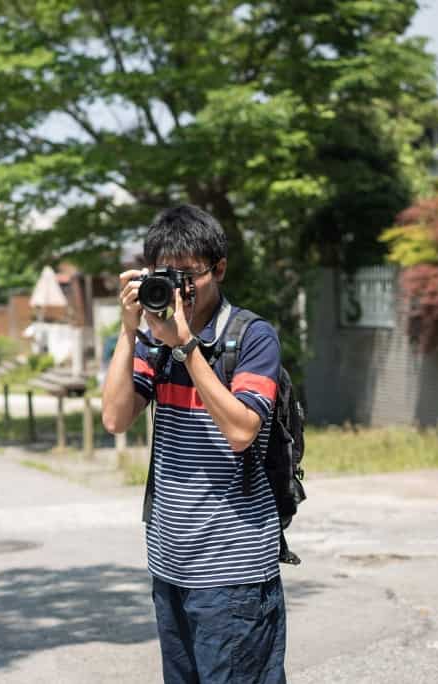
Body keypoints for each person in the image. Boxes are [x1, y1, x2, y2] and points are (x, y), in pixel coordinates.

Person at [102, 205, 286, 683]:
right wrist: (129, 331)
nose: (180, 289)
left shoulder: (251, 336)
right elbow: (115, 417)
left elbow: (243, 430)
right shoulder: (152, 338)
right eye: (169, 276)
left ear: (219, 269)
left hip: (234, 573)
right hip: (169, 563)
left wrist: (186, 347)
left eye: (191, 276)